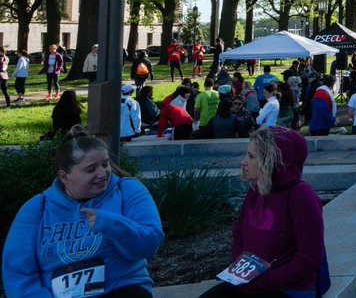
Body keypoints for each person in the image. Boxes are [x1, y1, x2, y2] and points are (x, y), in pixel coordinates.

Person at [2, 126, 164, 297]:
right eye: (91, 169)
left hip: (121, 288)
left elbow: (148, 245)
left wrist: (113, 225)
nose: (102, 173)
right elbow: (17, 273)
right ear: (64, 177)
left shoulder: (128, 190)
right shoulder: (36, 208)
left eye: (105, 164)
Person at [199, 126, 326, 297]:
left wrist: (264, 282)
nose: (243, 162)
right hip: (252, 280)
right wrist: (240, 273)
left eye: (251, 157)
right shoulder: (257, 188)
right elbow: (239, 232)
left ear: (271, 161)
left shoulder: (301, 196)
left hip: (289, 288)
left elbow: (309, 258)